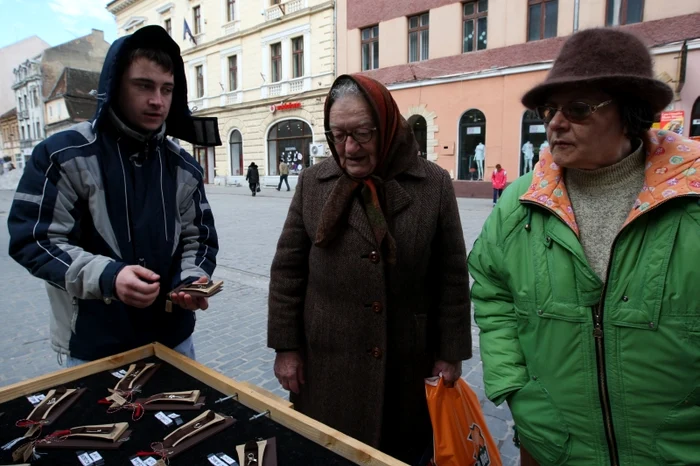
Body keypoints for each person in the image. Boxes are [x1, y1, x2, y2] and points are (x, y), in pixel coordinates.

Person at [469, 28, 700, 466]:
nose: (554, 123)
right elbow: (491, 290)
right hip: (553, 448)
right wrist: (517, 388)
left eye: (578, 109)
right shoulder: (519, 204)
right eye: (549, 109)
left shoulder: (692, 201)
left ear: (631, 114)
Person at [267, 74, 471, 464]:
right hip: (327, 364)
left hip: (407, 365)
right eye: (338, 135)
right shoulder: (313, 182)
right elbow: (288, 271)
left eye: (362, 133)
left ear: (388, 125)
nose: (350, 148)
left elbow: (451, 277)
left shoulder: (433, 184)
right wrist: (286, 348)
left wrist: (451, 352)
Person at [7, 25, 220, 367]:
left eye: (167, 89)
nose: (157, 100)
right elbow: (33, 239)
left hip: (173, 339)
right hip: (94, 343)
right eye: (143, 86)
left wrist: (191, 279)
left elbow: (200, 238)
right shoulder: (61, 155)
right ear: (114, 85)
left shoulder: (183, 166)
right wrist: (109, 277)